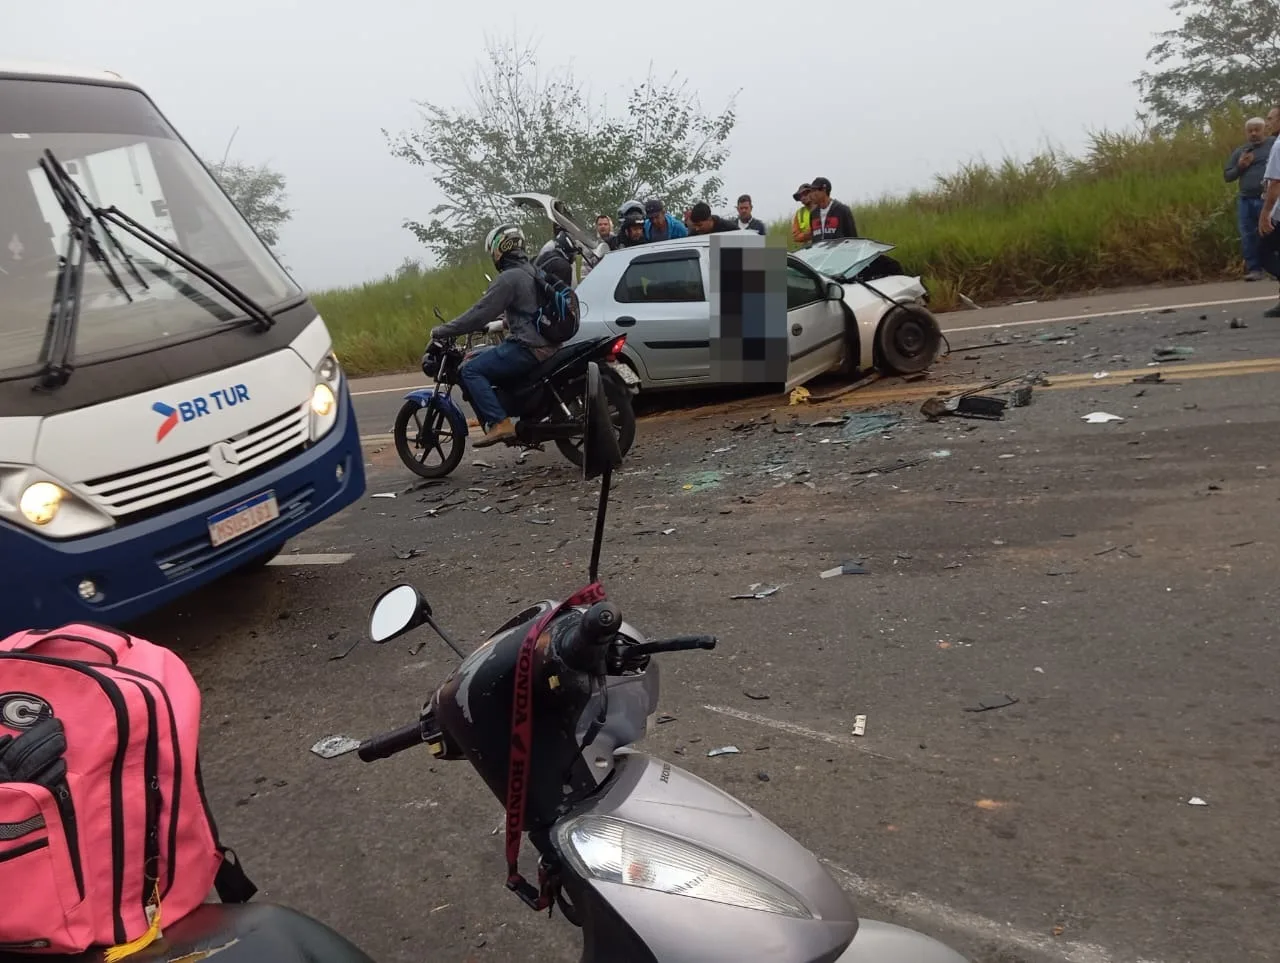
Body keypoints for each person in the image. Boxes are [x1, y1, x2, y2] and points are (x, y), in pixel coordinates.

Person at [429, 224, 551, 447]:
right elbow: (530, 310)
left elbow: (479, 313)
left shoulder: (509, 278)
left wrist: (443, 330)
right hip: (545, 342)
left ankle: (500, 422)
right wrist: (501, 324)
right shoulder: (532, 270)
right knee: (487, 356)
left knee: (470, 369)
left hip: (528, 347)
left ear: (500, 248)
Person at [1225, 117, 1273, 281]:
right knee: (1248, 235)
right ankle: (1255, 269)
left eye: (1257, 129)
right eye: (1250, 131)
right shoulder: (1241, 151)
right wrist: (1241, 166)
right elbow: (1227, 176)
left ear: (1264, 129)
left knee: (1272, 233)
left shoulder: (1274, 145)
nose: (1253, 133)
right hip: (1246, 199)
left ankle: (1275, 269)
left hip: (1269, 199)